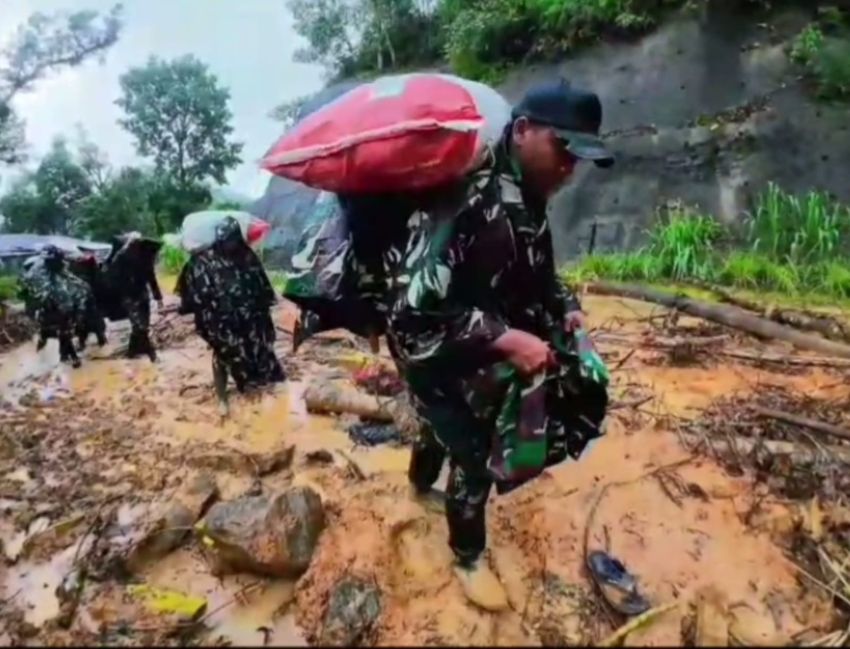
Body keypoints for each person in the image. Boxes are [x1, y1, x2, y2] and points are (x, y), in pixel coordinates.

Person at [386, 79, 614, 610]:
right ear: (524, 130)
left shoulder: (527, 198)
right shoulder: (469, 198)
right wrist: (506, 338)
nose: (570, 168)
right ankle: (467, 557)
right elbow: (410, 318)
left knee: (439, 430)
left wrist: (567, 305)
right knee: (472, 458)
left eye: (579, 157)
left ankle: (418, 485)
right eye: (565, 149)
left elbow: (539, 276)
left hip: (485, 363)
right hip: (441, 361)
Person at [176, 216, 285, 417]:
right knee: (222, 355)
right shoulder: (202, 261)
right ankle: (222, 398)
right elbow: (192, 294)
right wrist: (198, 313)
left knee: (259, 350)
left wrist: (264, 309)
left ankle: (260, 389)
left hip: (250, 317)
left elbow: (261, 285)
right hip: (220, 322)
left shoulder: (246, 255)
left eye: (234, 240)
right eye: (227, 240)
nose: (231, 245)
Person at [24, 245, 88, 368]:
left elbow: (68, 278)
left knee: (64, 331)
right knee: (49, 332)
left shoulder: (57, 267)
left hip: (59, 306)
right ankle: (64, 357)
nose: (59, 262)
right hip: (45, 306)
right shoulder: (37, 273)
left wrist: (82, 287)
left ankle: (67, 357)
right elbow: (39, 292)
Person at [105, 232, 162, 361]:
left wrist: (158, 296)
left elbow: (151, 276)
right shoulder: (121, 258)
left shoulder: (145, 256)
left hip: (142, 295)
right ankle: (151, 353)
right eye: (132, 243)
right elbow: (112, 275)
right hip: (129, 297)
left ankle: (132, 352)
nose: (135, 245)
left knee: (143, 326)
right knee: (139, 325)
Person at [69, 252, 108, 350]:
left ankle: (86, 342)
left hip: (87, 304)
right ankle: (99, 341)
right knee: (93, 324)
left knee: (83, 324)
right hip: (90, 304)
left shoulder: (79, 275)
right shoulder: (92, 273)